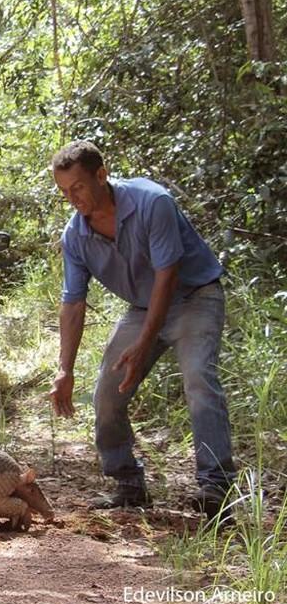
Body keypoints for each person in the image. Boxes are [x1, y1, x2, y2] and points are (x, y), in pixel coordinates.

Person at [46, 140, 235, 520]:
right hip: (142, 308)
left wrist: (145, 342)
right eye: (64, 191)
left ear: (101, 175)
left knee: (199, 380)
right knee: (106, 392)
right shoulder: (75, 236)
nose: (72, 198)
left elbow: (168, 274)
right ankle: (128, 484)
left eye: (78, 187)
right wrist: (65, 369)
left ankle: (215, 487)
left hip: (194, 298)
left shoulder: (153, 202)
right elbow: (73, 303)